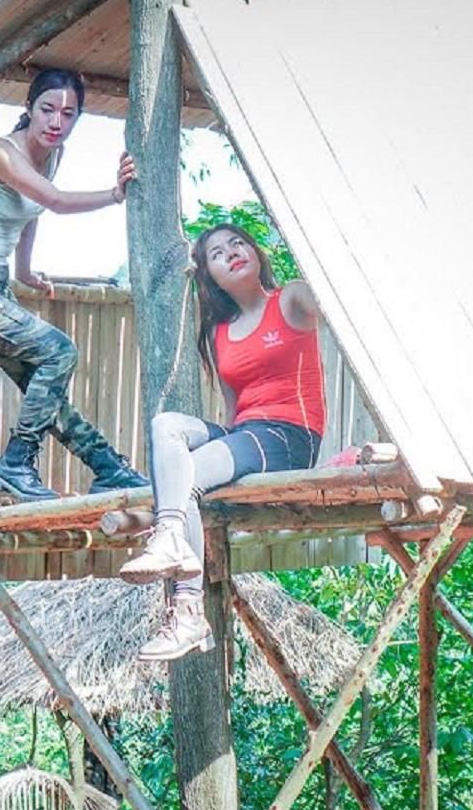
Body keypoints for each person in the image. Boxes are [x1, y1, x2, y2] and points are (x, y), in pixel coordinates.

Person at [0, 68, 147, 501]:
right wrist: (115, 194)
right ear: (28, 108)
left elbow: (30, 215)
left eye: (68, 115)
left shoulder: (53, 153)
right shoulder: (0, 153)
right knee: (60, 351)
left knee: (43, 391)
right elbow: (54, 201)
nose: (56, 122)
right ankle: (15, 464)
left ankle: (107, 468)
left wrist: (25, 271)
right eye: (47, 110)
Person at [120, 223, 325, 660]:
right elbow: (234, 410)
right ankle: (176, 551)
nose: (231, 252)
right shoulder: (220, 334)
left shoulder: (291, 298)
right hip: (247, 434)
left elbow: (338, 301)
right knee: (166, 427)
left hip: (292, 437)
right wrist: (222, 460)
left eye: (238, 243)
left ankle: (186, 605)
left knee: (185, 480)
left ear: (255, 252)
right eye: (216, 253)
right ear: (210, 276)